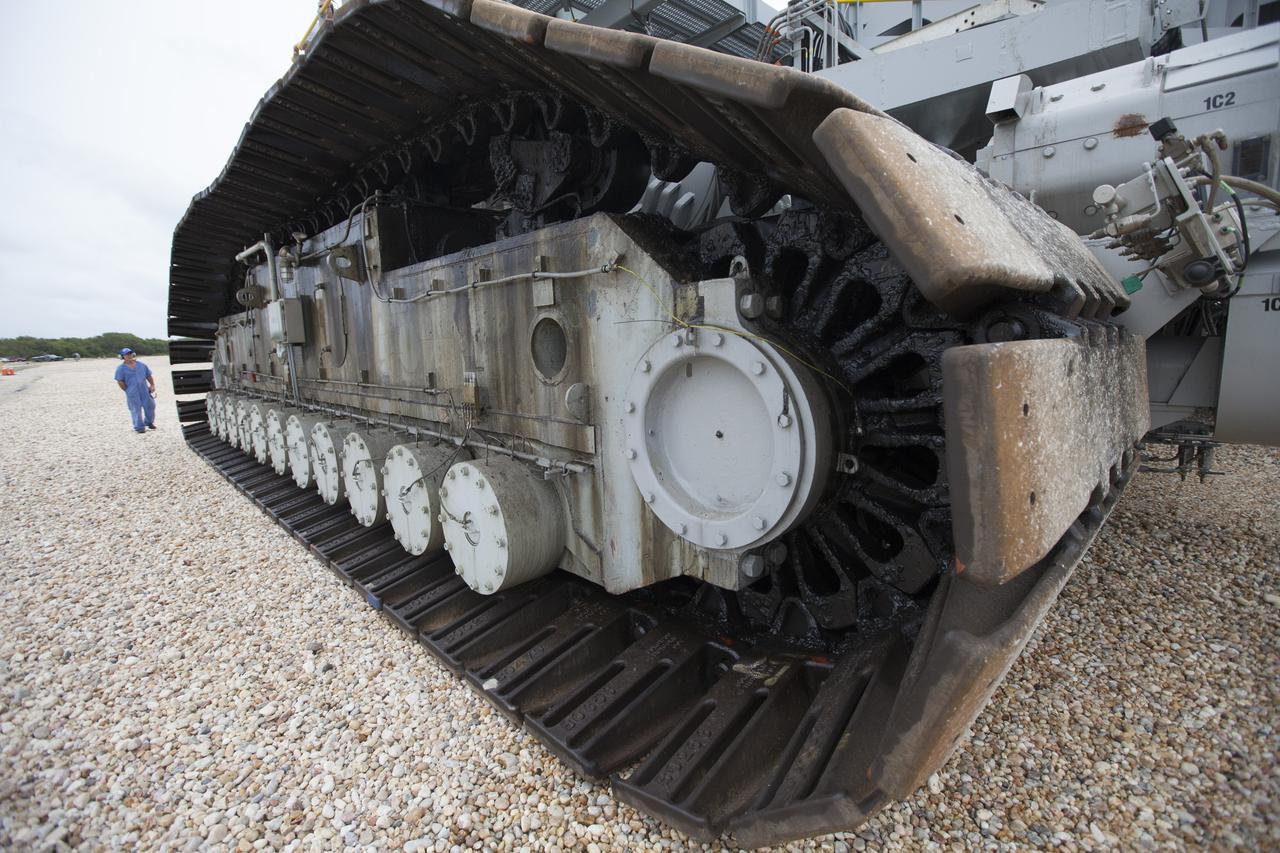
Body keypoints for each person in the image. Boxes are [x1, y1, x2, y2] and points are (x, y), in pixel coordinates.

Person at [114, 348, 157, 433]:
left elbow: (148, 376)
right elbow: (120, 381)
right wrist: (127, 390)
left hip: (144, 389)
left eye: (130, 353)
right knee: (135, 409)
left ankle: (148, 422)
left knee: (151, 406)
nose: (129, 355)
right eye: (126, 354)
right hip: (132, 392)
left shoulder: (141, 365)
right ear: (122, 357)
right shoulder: (120, 368)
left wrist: (152, 385)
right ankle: (139, 427)